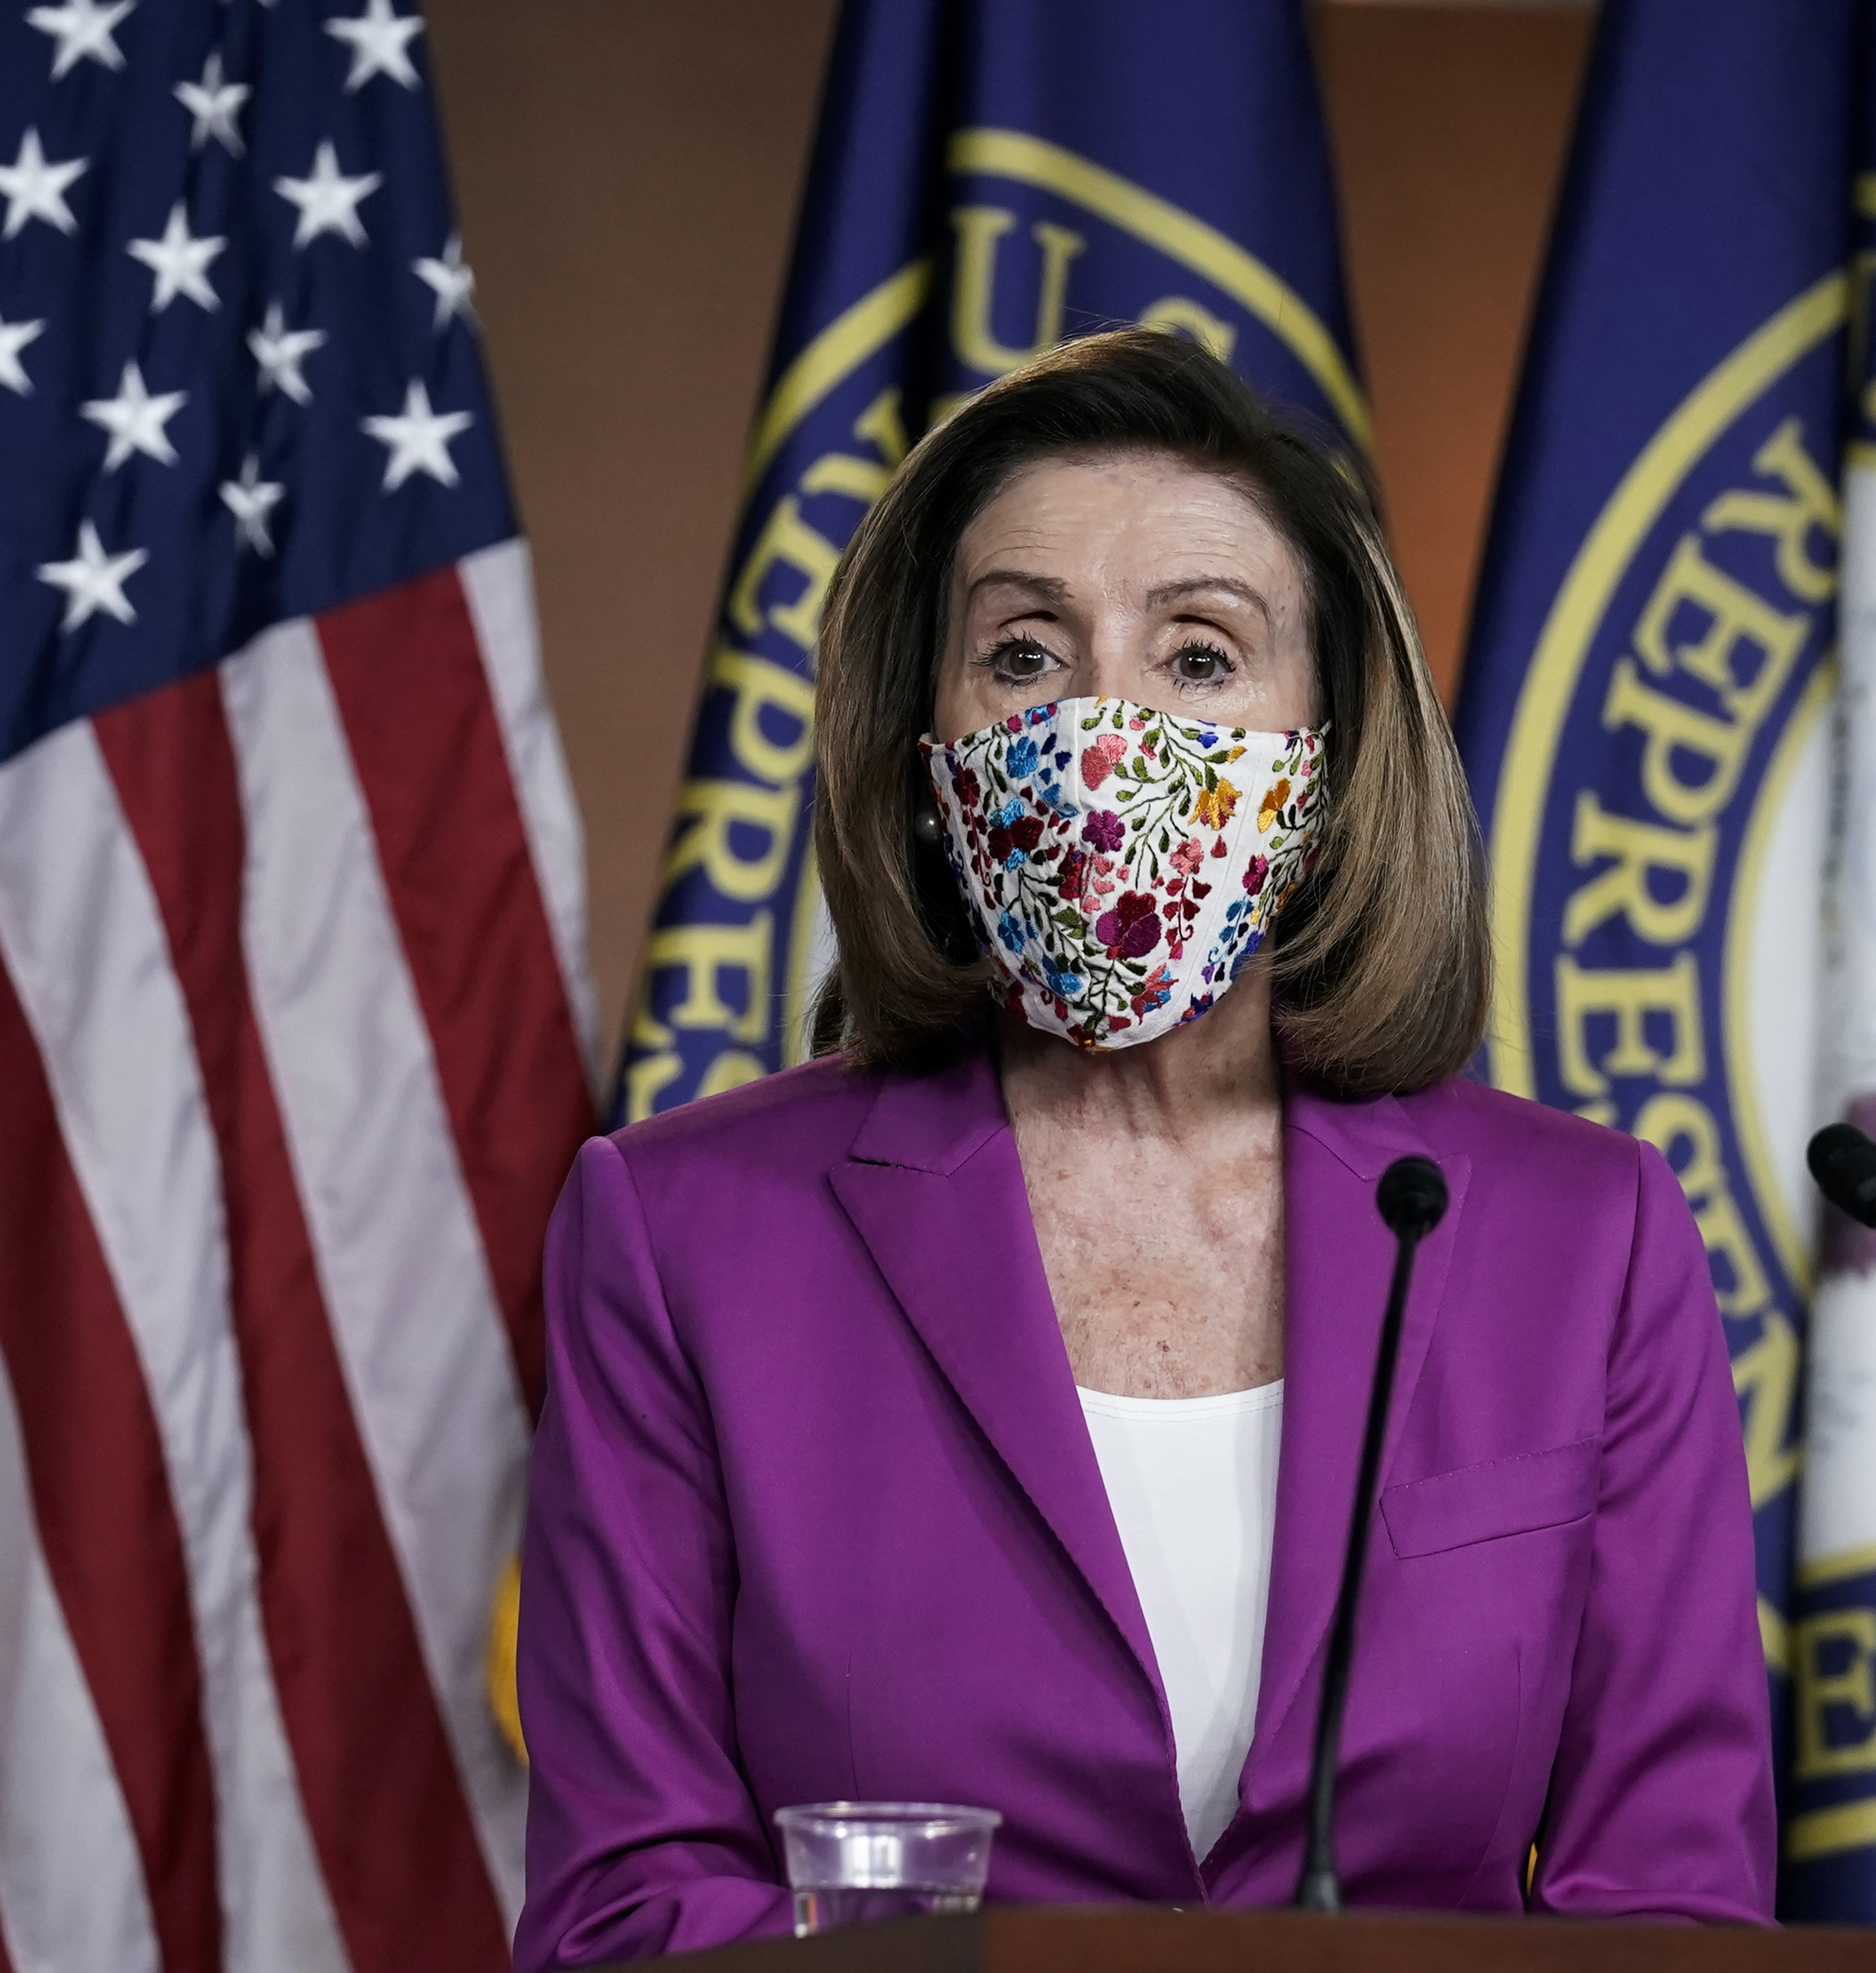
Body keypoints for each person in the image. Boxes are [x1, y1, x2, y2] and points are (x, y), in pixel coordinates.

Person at [514, 329, 1773, 1968]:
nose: (1106, 731)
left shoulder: (1582, 1238)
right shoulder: (685, 1234)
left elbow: (1675, 1905)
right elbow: (625, 1907)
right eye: (1027, 654)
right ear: (930, 759)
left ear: (1326, 760)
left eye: (1199, 656)